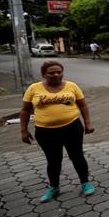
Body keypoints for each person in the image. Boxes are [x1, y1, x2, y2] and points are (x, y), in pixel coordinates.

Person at [20, 60, 96, 203]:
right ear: (44, 74)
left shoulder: (72, 86)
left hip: (72, 128)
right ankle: (54, 188)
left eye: (59, 72)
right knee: (53, 160)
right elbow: (25, 110)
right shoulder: (34, 88)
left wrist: (88, 123)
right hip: (45, 132)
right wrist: (23, 130)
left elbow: (83, 105)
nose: (56, 75)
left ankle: (85, 183)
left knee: (77, 156)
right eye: (51, 73)